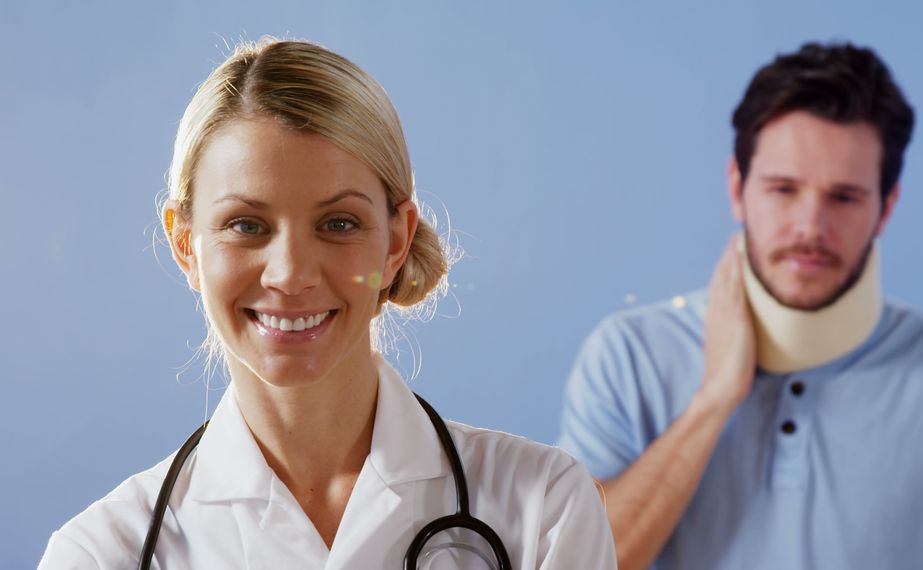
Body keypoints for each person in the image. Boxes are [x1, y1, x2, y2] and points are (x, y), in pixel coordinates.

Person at [40, 38, 616, 569]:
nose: (290, 274)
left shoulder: (542, 507)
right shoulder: (100, 552)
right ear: (186, 244)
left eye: (338, 223)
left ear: (396, 240)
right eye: (246, 224)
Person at [558, 41, 923, 570]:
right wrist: (714, 398)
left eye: (843, 198)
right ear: (738, 187)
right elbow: (583, 563)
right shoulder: (626, 355)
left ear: (886, 208)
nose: (810, 227)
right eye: (783, 189)